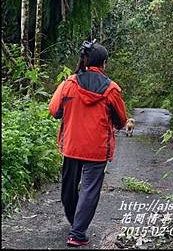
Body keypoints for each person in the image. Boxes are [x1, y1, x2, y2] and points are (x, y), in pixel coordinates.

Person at [49, 40, 127, 247]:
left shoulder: (69, 84)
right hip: (97, 149)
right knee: (89, 190)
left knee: (69, 187)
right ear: (104, 63)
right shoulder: (111, 89)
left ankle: (76, 223)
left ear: (84, 60)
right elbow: (121, 120)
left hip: (72, 145)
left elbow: (54, 111)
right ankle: (77, 232)